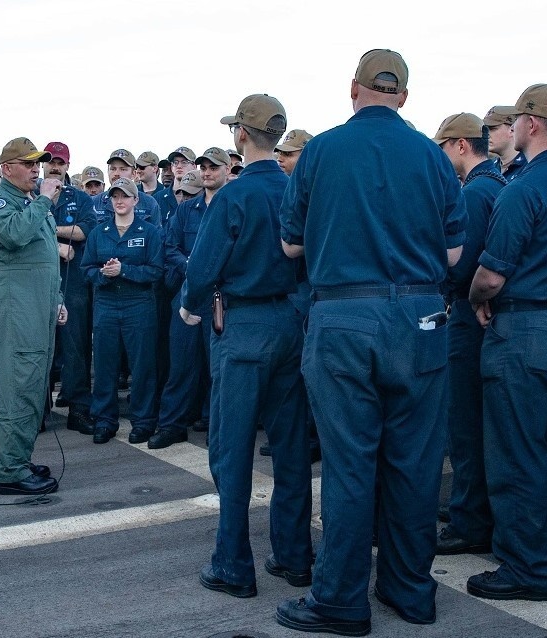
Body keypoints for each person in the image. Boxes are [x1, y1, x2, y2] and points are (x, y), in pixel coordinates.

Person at [278, 50, 467, 634]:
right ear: (404, 97)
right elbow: (456, 254)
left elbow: (289, 248)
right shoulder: (434, 160)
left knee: (349, 463)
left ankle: (340, 599)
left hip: (344, 315)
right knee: (414, 462)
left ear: (353, 88)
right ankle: (411, 590)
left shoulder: (322, 151)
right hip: (420, 314)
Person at [181, 94, 313, 605]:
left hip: (244, 324)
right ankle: (295, 554)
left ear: (240, 136)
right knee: (290, 447)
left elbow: (201, 269)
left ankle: (233, 563)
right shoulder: (297, 190)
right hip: (290, 320)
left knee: (232, 451)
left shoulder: (235, 197)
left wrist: (192, 306)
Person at [466, 83, 547, 601]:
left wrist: (476, 296)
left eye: (517, 119)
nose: (511, 127)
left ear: (532, 124)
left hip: (524, 330)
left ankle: (526, 568)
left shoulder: (523, 188)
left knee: (517, 454)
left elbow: (492, 275)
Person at [432, 113, 506, 556]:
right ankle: (470, 507)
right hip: (483, 314)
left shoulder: (476, 192)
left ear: (461, 145)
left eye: (443, 148)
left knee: (466, 424)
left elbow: (463, 265)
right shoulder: (494, 186)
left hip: (468, 312)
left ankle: (470, 518)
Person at [0, 137, 64, 496]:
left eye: (37, 164)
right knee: (16, 385)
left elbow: (46, 258)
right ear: (7, 168)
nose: (36, 169)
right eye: (28, 164)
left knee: (32, 383)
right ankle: (10, 472)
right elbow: (14, 236)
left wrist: (56, 297)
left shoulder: (29, 203)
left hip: (36, 306)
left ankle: (17, 459)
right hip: (13, 307)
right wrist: (44, 199)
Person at [149, 147, 230, 450]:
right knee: (180, 365)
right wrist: (193, 268)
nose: (208, 172)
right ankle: (172, 424)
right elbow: (170, 247)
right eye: (204, 167)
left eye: (214, 167)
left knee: (217, 368)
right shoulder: (186, 209)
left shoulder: (231, 205)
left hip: (220, 299)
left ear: (225, 170)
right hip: (186, 294)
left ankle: (215, 426)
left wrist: (207, 271)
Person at [81, 178, 163, 444]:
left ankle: (143, 421)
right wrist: (103, 274)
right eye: (115, 196)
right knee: (105, 365)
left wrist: (124, 270)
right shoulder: (99, 232)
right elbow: (86, 270)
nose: (119, 201)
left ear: (135, 200)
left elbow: (156, 270)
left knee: (142, 366)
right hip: (106, 304)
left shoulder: (149, 232)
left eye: (125, 196)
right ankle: (105, 420)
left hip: (138, 304)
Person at [40, 142, 97, 435]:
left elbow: (84, 231)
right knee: (40, 348)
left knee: (76, 347)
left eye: (60, 162)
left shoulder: (79, 197)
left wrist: (46, 227)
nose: (54, 166)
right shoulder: (32, 196)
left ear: (67, 166)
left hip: (74, 283)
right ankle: (38, 410)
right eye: (50, 161)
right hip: (39, 283)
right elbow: (24, 231)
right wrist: (59, 243)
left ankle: (78, 408)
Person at [484, 106, 527, 180]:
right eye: (486, 129)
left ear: (512, 129)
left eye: (492, 128)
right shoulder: (488, 168)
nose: (487, 134)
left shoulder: (529, 166)